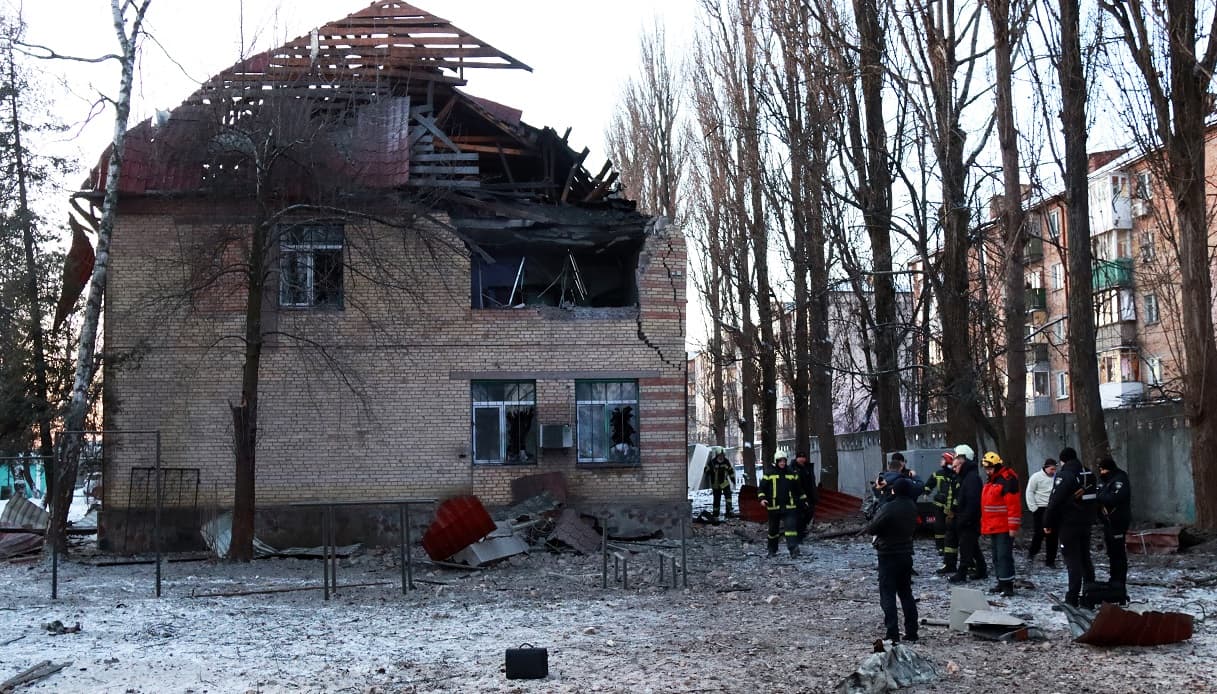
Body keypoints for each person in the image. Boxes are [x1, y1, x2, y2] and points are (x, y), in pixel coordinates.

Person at [865, 476, 920, 643]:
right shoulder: (911, 506)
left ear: (894, 490)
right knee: (906, 593)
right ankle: (912, 631)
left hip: (888, 554)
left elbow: (872, 527)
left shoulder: (889, 507)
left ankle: (892, 632)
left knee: (887, 594)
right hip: (906, 554)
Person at [1045, 446, 1097, 607]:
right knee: (1085, 559)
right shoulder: (1089, 474)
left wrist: (1047, 522)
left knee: (1072, 561)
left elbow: (1055, 501)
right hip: (1086, 522)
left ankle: (1072, 599)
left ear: (1063, 460)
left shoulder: (1065, 475)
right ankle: (1089, 596)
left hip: (1068, 524)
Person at [980, 451, 1021, 596]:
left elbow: (1013, 506)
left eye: (990, 468)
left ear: (997, 466)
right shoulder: (993, 480)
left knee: (1004, 556)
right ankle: (1001, 581)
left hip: (1003, 526)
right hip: (994, 526)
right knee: (996, 556)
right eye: (986, 468)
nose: (987, 471)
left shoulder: (1007, 480)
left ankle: (1007, 585)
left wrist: (1013, 527)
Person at [758, 450, 808, 558]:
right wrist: (762, 499)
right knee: (773, 531)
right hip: (773, 507)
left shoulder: (791, 473)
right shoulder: (769, 473)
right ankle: (772, 550)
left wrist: (804, 500)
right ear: (776, 462)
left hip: (789, 506)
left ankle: (794, 549)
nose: (782, 463)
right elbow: (762, 488)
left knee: (791, 529)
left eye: (784, 461)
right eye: (780, 461)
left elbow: (799, 489)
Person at [949, 444, 987, 584]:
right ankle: (982, 569)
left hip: (969, 520)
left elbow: (972, 502)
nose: (954, 461)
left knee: (966, 546)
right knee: (972, 546)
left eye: (957, 458)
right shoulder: (968, 477)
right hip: (967, 519)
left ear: (964, 459)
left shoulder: (971, 479)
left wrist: (964, 519)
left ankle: (962, 572)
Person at [1097, 456, 1131, 598]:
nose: (1101, 473)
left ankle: (1119, 581)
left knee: (1118, 553)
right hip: (1109, 522)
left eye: (1103, 470)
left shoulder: (1120, 480)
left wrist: (1100, 497)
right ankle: (1114, 579)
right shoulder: (1107, 481)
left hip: (1118, 521)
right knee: (1112, 552)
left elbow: (1113, 498)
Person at [923, 451, 958, 571]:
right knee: (938, 526)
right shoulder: (938, 474)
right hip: (939, 504)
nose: (940, 461)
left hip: (950, 506)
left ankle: (948, 552)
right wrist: (926, 492)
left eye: (943, 459)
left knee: (949, 529)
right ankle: (940, 547)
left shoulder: (954, 475)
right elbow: (929, 484)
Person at [1025, 458, 1058, 568]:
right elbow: (1029, 492)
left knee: (1053, 536)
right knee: (1039, 534)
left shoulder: (1057, 477)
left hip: (1053, 508)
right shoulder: (1036, 477)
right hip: (1040, 508)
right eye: (1052, 469)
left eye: (1055, 469)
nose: (1053, 471)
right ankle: (1032, 553)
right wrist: (1033, 508)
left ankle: (1050, 561)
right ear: (1046, 467)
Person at [703, 447, 736, 520]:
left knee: (728, 497)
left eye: (723, 455)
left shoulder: (726, 462)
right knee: (717, 500)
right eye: (720, 455)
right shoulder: (712, 462)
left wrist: (733, 479)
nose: (721, 457)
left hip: (724, 482)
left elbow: (730, 471)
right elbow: (706, 470)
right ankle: (715, 515)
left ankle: (729, 512)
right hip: (716, 484)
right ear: (717, 455)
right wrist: (709, 470)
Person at [792, 451, 818, 539]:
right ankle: (799, 533)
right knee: (800, 514)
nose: (802, 459)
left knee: (810, 512)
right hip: (798, 495)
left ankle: (802, 529)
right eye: (800, 457)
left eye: (803, 457)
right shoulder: (792, 468)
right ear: (796, 458)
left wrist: (814, 493)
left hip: (809, 494)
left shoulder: (808, 467)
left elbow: (811, 481)